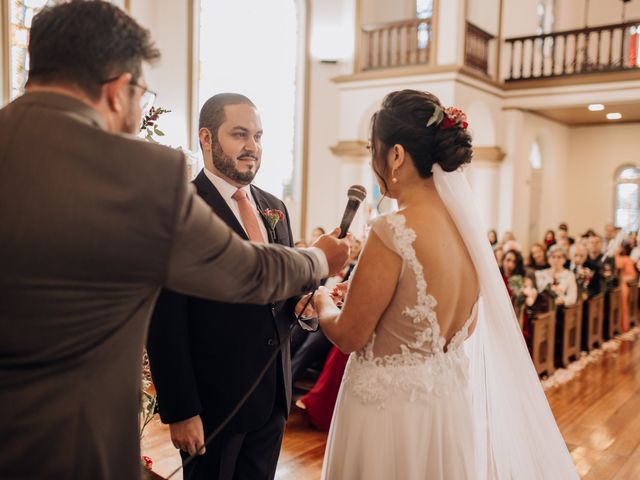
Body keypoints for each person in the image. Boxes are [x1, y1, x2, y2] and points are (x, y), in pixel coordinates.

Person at [0, 3, 349, 479]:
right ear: (118, 87)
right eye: (142, 92)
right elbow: (246, 271)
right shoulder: (140, 175)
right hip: (75, 445)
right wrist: (318, 258)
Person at [311, 90, 578, 479]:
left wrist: (322, 301)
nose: (373, 162)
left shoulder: (391, 230)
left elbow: (350, 335)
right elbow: (464, 328)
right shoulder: (470, 233)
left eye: (374, 150)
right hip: (446, 408)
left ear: (397, 155)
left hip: (388, 415)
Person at [147, 94, 310, 480]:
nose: (252, 146)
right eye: (239, 134)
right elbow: (164, 320)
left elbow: (280, 299)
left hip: (272, 397)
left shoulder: (274, 208)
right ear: (206, 137)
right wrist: (181, 410)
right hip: (212, 405)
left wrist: (307, 307)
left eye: (257, 136)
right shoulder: (178, 208)